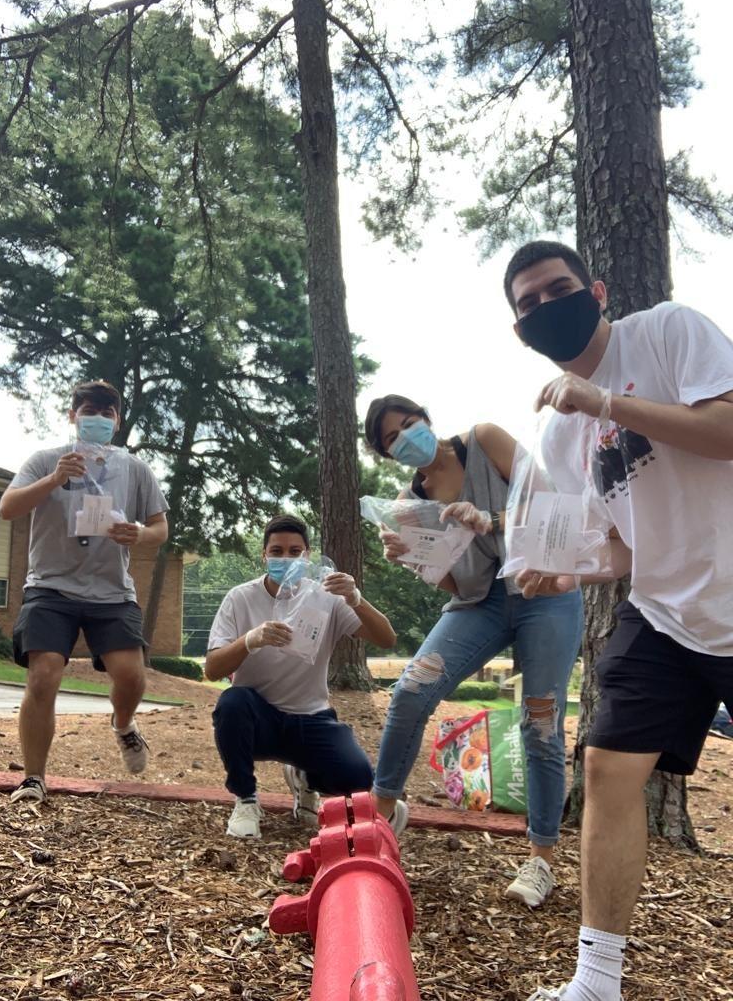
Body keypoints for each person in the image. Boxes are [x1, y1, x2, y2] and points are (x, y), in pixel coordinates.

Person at [503, 240, 733, 1001]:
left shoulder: (669, 332)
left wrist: (607, 402)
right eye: (528, 304)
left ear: (596, 291)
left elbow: (728, 430)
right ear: (518, 331)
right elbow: (624, 548)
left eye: (558, 289)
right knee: (605, 767)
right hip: (665, 613)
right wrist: (568, 568)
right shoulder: (561, 436)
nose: (547, 308)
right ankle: (595, 983)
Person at [364, 394, 584, 908]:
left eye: (408, 424)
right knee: (411, 692)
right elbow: (450, 583)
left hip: (544, 591)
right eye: (392, 439)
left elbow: (547, 499)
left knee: (541, 722)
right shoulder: (410, 503)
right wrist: (409, 558)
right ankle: (382, 813)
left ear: (427, 417)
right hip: (480, 605)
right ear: (388, 455)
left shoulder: (484, 440)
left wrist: (490, 519)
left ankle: (541, 859)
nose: (405, 438)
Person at [0, 380, 169, 804]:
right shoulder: (45, 460)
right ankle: (34, 779)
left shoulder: (134, 468)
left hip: (111, 592)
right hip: (50, 587)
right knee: (43, 676)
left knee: (132, 677)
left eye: (106, 412)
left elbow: (161, 528)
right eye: (88, 409)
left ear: (117, 420)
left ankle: (123, 724)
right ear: (72, 415)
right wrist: (55, 478)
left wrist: (140, 533)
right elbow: (7, 508)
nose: (97, 417)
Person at [205, 513, 396, 840]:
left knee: (358, 777)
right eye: (277, 551)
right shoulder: (240, 598)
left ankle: (306, 778)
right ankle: (246, 800)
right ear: (264, 555)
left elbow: (387, 638)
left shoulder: (327, 597)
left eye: (295, 551)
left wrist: (356, 599)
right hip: (259, 719)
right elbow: (212, 669)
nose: (285, 558)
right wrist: (251, 639)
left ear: (307, 555)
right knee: (231, 702)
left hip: (311, 718)